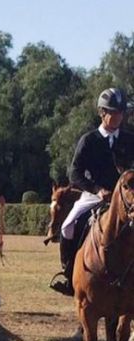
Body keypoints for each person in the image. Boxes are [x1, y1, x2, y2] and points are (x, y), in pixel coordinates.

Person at [50, 87, 134, 296]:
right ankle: (69, 276)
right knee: (67, 227)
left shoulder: (129, 139)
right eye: (113, 112)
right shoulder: (89, 140)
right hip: (94, 197)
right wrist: (97, 190)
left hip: (127, 198)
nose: (118, 117)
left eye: (121, 113)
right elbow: (75, 173)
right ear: (101, 112)